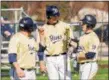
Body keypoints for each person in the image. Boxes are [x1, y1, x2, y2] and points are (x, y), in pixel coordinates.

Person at [38, 5, 74, 80]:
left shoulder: (65, 26)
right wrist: (41, 63)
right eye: (53, 16)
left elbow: (72, 41)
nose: (55, 17)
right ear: (48, 16)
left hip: (63, 57)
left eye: (57, 15)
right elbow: (41, 48)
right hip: (50, 59)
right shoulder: (43, 29)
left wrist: (72, 47)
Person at [76, 14, 100, 80]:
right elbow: (79, 47)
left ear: (89, 25)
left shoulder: (93, 37)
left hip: (89, 64)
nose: (82, 25)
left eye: (84, 23)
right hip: (83, 65)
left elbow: (91, 55)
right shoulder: (83, 36)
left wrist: (77, 56)